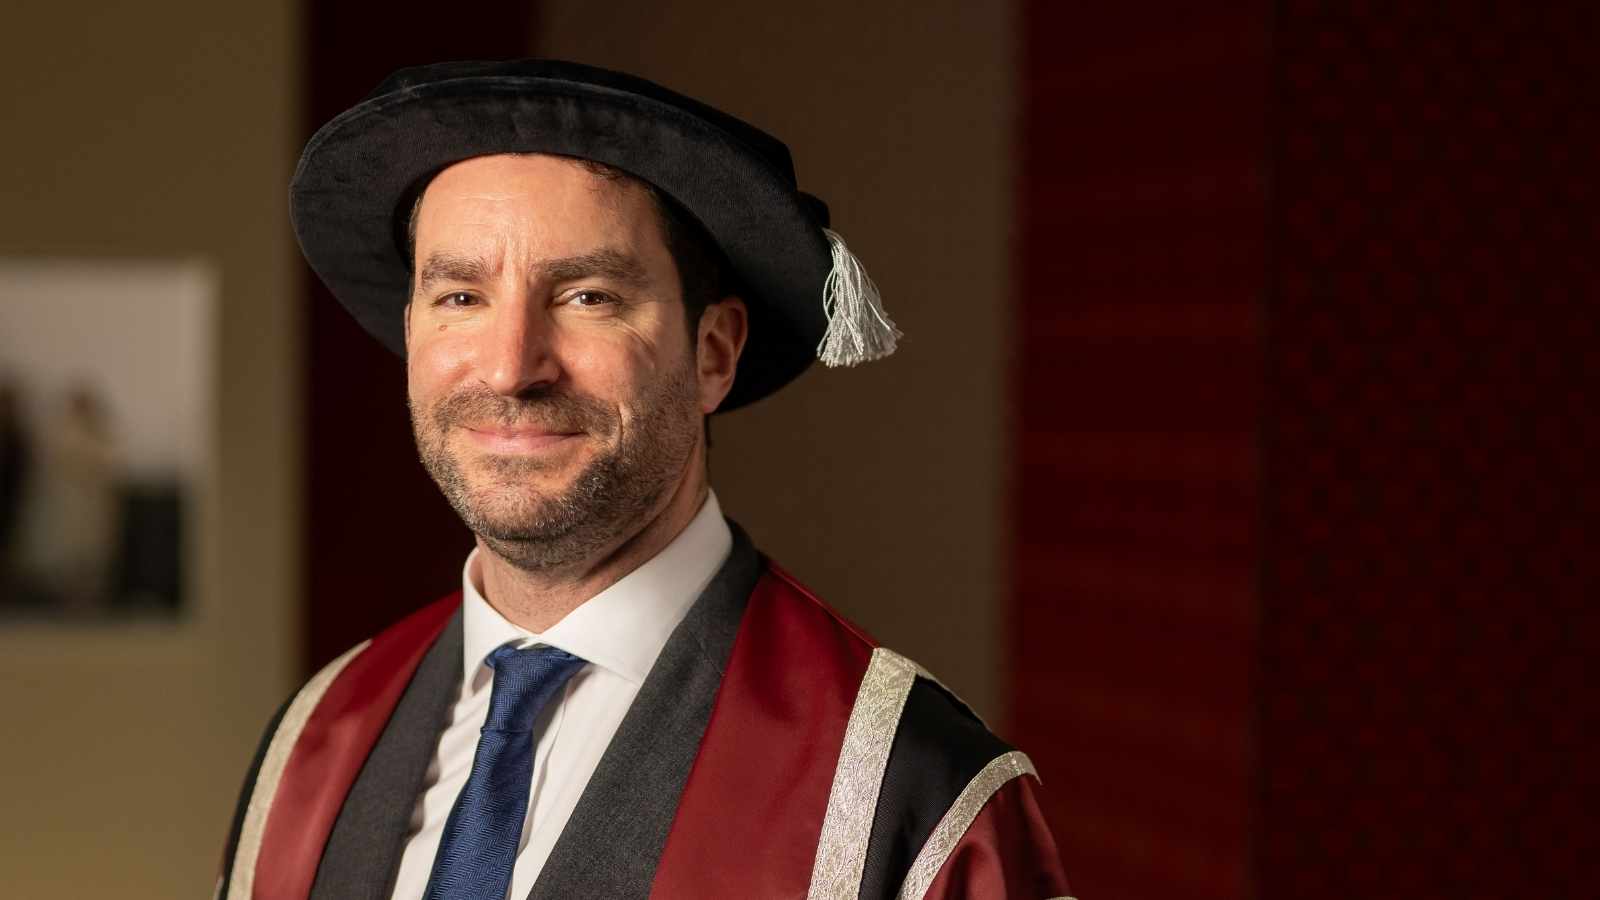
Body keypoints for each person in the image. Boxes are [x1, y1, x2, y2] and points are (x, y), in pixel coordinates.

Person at [219, 60, 1071, 900]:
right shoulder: (314, 744)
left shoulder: (909, 792)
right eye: (461, 298)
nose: (512, 367)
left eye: (587, 296)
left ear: (713, 353)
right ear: (411, 332)